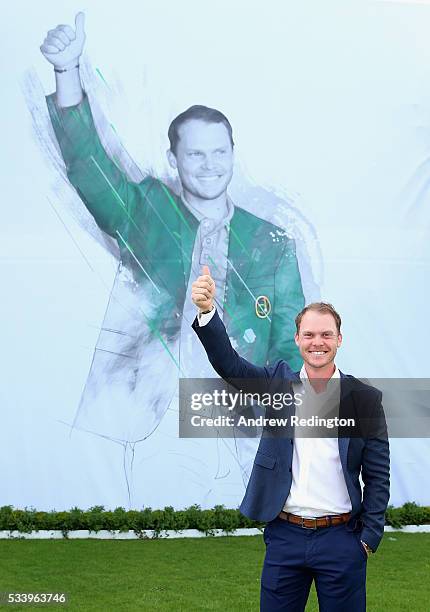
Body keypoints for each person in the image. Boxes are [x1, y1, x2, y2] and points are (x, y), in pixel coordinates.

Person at [38, 13, 306, 507]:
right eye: (196, 155)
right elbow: (90, 170)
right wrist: (67, 72)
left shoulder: (271, 240)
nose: (210, 165)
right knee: (166, 542)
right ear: (173, 159)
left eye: (219, 152)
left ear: (233, 153)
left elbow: (291, 331)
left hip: (246, 422)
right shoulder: (147, 211)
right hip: (160, 420)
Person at [191, 266, 390, 612]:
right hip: (286, 537)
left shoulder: (365, 399)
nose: (318, 343)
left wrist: (368, 538)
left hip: (342, 540)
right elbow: (231, 367)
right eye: (310, 335)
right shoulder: (277, 383)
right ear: (297, 339)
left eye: (326, 335)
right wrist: (208, 313)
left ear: (339, 339)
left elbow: (378, 476)